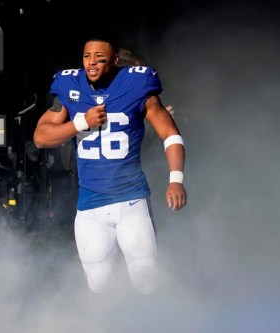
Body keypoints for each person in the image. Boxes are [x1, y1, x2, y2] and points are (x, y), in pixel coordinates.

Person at [33, 34, 187, 294]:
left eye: (100, 58)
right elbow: (40, 137)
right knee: (99, 287)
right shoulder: (69, 87)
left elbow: (170, 134)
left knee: (146, 280)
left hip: (131, 200)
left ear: (115, 61)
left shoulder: (138, 85)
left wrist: (176, 180)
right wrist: (81, 123)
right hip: (90, 206)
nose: (91, 63)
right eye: (87, 57)